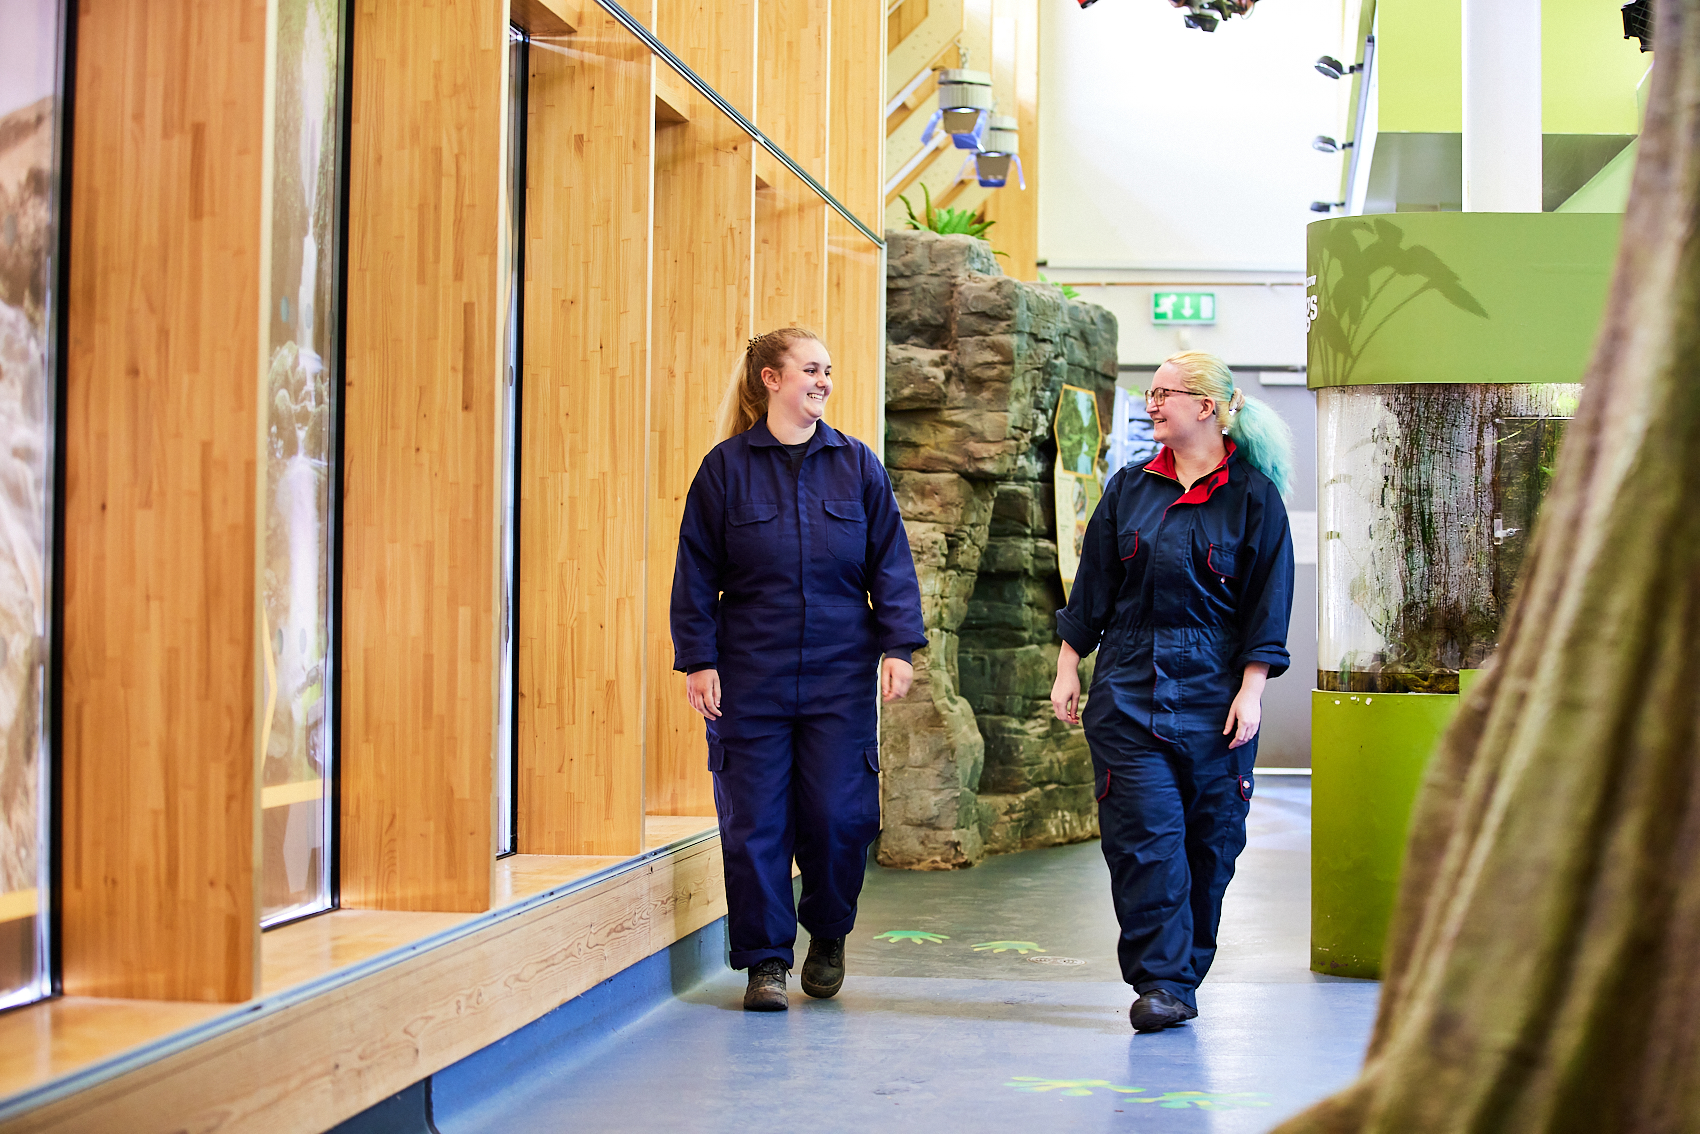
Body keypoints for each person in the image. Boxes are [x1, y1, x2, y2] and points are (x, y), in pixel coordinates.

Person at [671, 327, 927, 1012]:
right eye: (811, 369)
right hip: (749, 673)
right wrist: (698, 659)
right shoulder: (725, 470)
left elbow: (890, 563)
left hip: (839, 675)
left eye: (829, 371)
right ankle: (764, 963)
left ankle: (831, 932)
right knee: (754, 822)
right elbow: (694, 571)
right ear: (770, 379)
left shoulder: (857, 466)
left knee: (840, 818)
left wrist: (899, 646)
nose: (823, 381)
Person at [1050, 350, 1294, 1033]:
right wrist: (1069, 664)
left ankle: (1184, 972)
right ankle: (1161, 981)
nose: (1152, 403)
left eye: (1165, 393)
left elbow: (1268, 603)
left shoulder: (1254, 498)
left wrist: (1252, 690)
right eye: (1151, 394)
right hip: (1128, 685)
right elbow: (1093, 586)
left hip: (1216, 691)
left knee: (1210, 845)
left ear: (1208, 408)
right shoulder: (1129, 488)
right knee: (1143, 841)